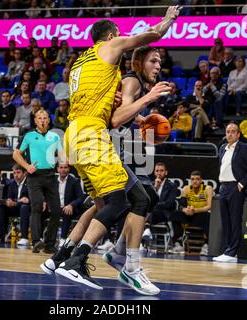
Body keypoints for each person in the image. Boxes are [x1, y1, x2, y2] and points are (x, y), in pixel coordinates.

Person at [51, 8, 182, 292]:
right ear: (111, 36)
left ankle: (65, 257)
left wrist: (125, 106)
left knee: (117, 201)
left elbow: (99, 101)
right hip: (90, 134)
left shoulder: (80, 64)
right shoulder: (110, 47)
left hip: (73, 136)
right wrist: (168, 19)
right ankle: (77, 260)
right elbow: (154, 34)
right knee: (122, 202)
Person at [12, 109, 64, 254]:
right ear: (35, 120)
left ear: (49, 120)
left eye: (45, 117)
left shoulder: (54, 136)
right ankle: (35, 241)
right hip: (35, 177)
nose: (42, 120)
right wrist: (27, 166)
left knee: (55, 211)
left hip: (51, 176)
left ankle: (49, 244)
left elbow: (62, 155)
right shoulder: (29, 136)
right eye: (39, 118)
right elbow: (16, 154)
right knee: (36, 206)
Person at [214, 123, 247, 263]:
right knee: (226, 221)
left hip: (235, 187)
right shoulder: (222, 148)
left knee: (234, 220)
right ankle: (228, 251)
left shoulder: (244, 148)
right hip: (223, 187)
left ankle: (232, 252)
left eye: (233, 132)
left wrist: (241, 184)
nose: (230, 134)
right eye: (228, 131)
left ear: (238, 134)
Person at [0, 164, 31, 246]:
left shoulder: (29, 183)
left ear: (24, 173)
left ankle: (24, 237)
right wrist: (9, 201)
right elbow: (10, 197)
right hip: (15, 207)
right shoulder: (12, 184)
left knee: (24, 207)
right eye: (14, 173)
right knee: (1, 207)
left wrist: (16, 201)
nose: (16, 175)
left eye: (18, 172)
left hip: (27, 209)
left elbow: (27, 200)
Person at [173, 171, 213, 256]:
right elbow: (181, 206)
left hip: (202, 214)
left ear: (201, 180)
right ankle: (178, 242)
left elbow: (209, 207)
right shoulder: (186, 189)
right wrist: (185, 210)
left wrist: (195, 210)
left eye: (197, 179)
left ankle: (206, 245)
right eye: (192, 179)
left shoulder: (207, 188)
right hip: (190, 215)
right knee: (175, 215)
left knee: (208, 216)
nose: (195, 181)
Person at [56, 162, 86, 247]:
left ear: (69, 169)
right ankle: (41, 238)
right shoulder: (53, 181)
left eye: (65, 167)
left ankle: (63, 238)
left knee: (67, 211)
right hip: (55, 207)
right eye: (61, 167)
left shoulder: (74, 181)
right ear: (57, 169)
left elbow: (81, 197)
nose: (63, 170)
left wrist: (71, 205)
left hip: (69, 208)